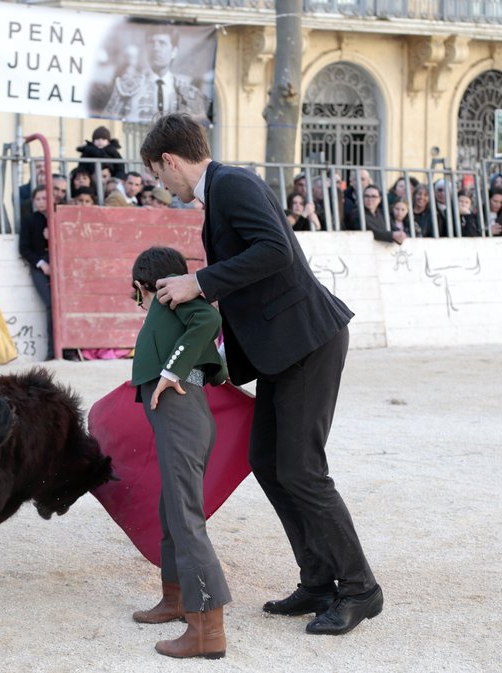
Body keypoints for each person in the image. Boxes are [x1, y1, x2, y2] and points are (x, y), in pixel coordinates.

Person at [144, 114, 381, 638]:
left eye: (160, 175)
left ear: (170, 160)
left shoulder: (231, 184)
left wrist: (198, 282)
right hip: (285, 349)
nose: (164, 185)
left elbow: (274, 250)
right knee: (269, 462)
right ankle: (318, 580)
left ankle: (360, 588)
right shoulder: (224, 191)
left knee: (301, 469)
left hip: (307, 342)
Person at [128, 245, 230, 660]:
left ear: (142, 287)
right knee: (172, 508)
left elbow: (208, 318)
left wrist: (170, 372)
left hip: (181, 413)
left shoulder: (170, 301)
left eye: (137, 296)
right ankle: (175, 599)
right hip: (185, 414)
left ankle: (207, 630)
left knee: (185, 516)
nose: (139, 304)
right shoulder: (170, 311)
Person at [104, 27, 207, 122]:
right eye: (151, 43)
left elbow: (200, 128)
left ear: (174, 51)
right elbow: (108, 122)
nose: (156, 48)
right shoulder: (126, 86)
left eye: (162, 43)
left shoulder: (188, 92)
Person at [18, 187, 54, 360]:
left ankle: (66, 350)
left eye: (44, 198)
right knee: (50, 304)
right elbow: (23, 248)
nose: (41, 202)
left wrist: (53, 236)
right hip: (39, 265)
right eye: (37, 199)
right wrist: (41, 264)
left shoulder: (57, 217)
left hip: (58, 264)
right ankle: (51, 351)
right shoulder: (29, 220)